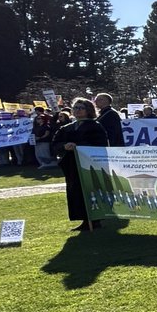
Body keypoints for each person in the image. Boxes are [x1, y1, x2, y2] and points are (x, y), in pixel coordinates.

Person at [51, 98, 109, 231]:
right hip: (71, 164)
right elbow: (55, 144)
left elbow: (100, 144)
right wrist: (64, 146)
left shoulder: (95, 126)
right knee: (75, 190)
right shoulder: (67, 127)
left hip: (89, 163)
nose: (77, 110)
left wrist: (79, 146)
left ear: (88, 110)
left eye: (81, 108)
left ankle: (95, 219)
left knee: (90, 189)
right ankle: (83, 218)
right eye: (75, 108)